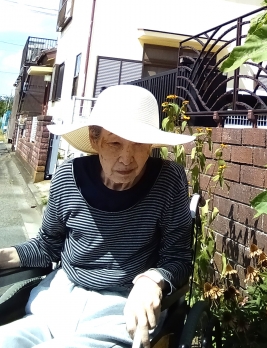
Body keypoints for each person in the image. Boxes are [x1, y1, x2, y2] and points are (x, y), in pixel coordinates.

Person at [0, 84, 194, 348]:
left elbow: (178, 258)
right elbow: (47, 246)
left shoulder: (167, 181)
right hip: (56, 301)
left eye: (139, 143)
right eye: (115, 143)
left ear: (150, 144)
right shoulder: (68, 177)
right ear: (95, 139)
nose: (127, 158)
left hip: (122, 309)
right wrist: (4, 257)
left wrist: (151, 281)